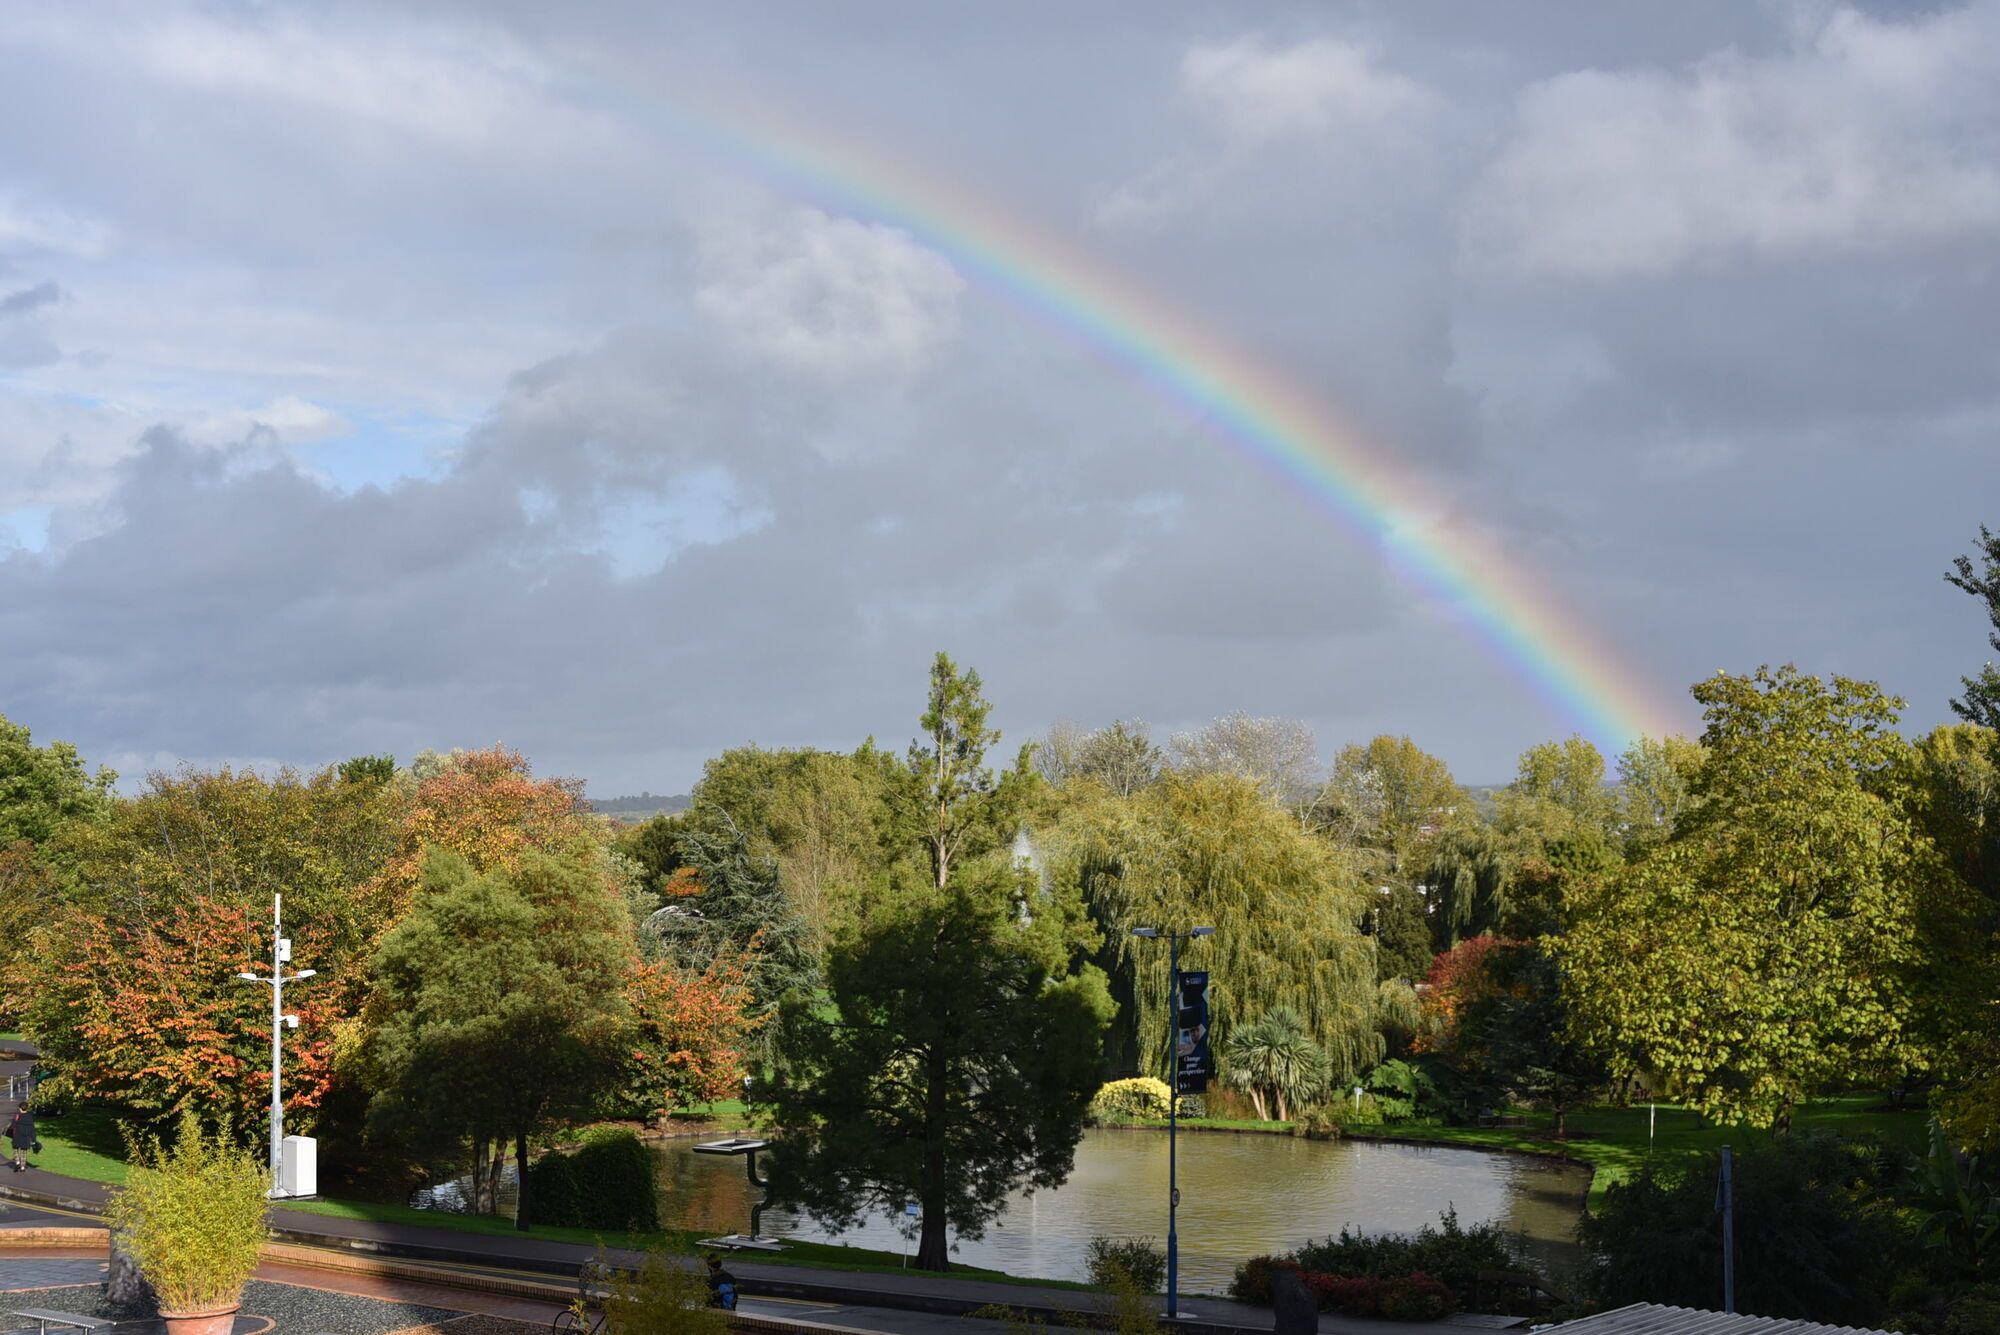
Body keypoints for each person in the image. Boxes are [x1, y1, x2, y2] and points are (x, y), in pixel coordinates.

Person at [8, 1103, 37, 1173]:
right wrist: (33, 1139)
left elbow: (13, 1126)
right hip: (26, 1137)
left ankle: (17, 1162)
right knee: (24, 1151)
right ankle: (23, 1167)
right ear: (26, 1108)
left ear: (20, 1108)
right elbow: (32, 1129)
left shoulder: (17, 1115)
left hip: (17, 1135)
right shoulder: (30, 1116)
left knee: (15, 1149)